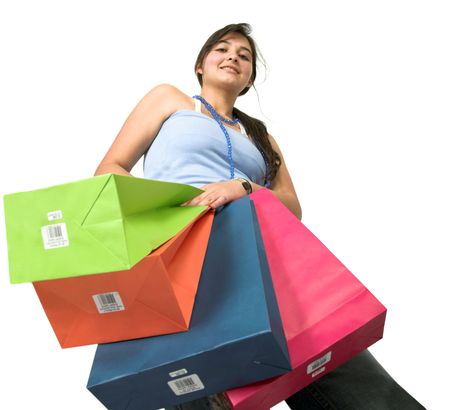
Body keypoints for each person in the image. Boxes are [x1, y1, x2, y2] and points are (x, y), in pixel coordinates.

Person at [95, 23, 425, 410]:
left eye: (244, 55)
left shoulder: (259, 134)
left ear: (249, 78)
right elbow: (110, 170)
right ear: (201, 64)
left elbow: (292, 206)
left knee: (336, 365)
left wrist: (244, 187)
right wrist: (171, 206)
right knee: (201, 379)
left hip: (259, 258)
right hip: (182, 255)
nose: (232, 56)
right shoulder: (170, 100)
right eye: (222, 49)